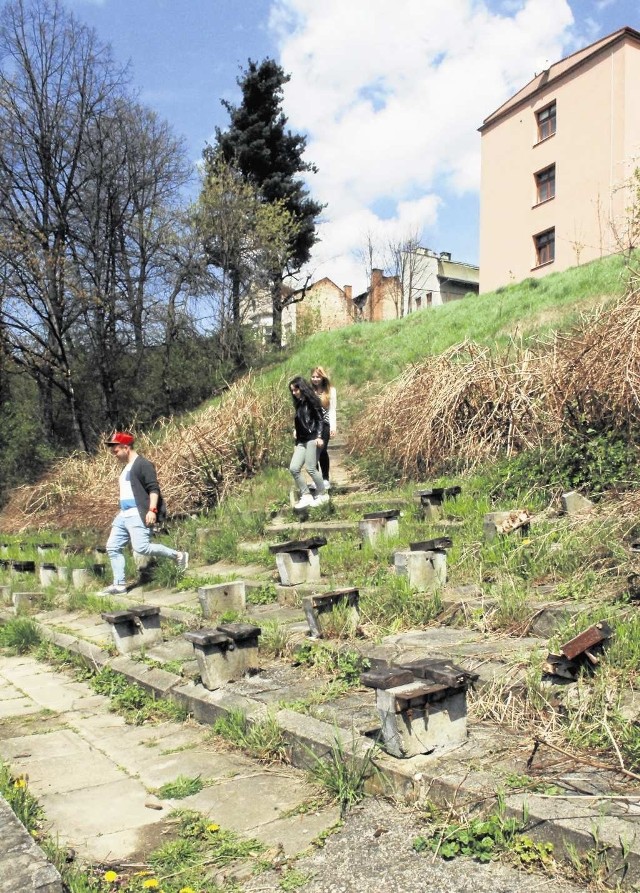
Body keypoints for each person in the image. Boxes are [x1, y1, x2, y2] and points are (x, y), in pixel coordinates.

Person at [101, 431, 188, 595]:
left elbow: (153, 489)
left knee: (142, 547)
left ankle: (178, 556)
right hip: (124, 514)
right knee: (112, 547)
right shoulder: (126, 467)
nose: (114, 454)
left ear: (126, 448)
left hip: (137, 513)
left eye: (116, 451)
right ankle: (119, 585)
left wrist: (152, 510)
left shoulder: (143, 464)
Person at [288, 377, 329, 509]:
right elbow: (301, 422)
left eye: (296, 389)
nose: (294, 393)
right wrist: (296, 432)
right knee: (294, 468)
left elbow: (320, 420)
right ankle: (306, 495)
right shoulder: (299, 404)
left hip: (313, 438)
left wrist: (319, 436)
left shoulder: (313, 401)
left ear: (302, 387)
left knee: (311, 467)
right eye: (292, 391)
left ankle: (323, 494)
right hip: (301, 441)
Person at [310, 366, 337, 490]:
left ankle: (325, 479)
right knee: (312, 452)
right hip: (312, 426)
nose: (315, 379)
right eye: (313, 377)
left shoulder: (330, 391)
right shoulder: (309, 391)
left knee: (322, 450)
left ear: (322, 377)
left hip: (325, 424)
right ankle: (316, 479)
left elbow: (332, 410)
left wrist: (333, 427)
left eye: (318, 377)